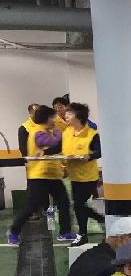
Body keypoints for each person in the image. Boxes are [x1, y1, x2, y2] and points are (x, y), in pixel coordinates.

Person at [7, 105, 76, 245]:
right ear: (46, 118)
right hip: (39, 176)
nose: (55, 121)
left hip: (52, 175)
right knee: (32, 206)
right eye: (53, 118)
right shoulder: (38, 132)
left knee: (64, 202)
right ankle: (14, 231)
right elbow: (53, 143)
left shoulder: (48, 130)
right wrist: (62, 134)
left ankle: (65, 232)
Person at [62, 102, 103, 246]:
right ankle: (99, 219)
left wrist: (88, 156)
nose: (66, 116)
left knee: (78, 205)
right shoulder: (67, 132)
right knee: (79, 205)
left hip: (88, 178)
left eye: (70, 113)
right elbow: (59, 147)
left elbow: (99, 152)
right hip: (74, 176)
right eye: (66, 113)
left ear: (79, 116)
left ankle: (83, 234)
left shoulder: (91, 134)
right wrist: (44, 152)